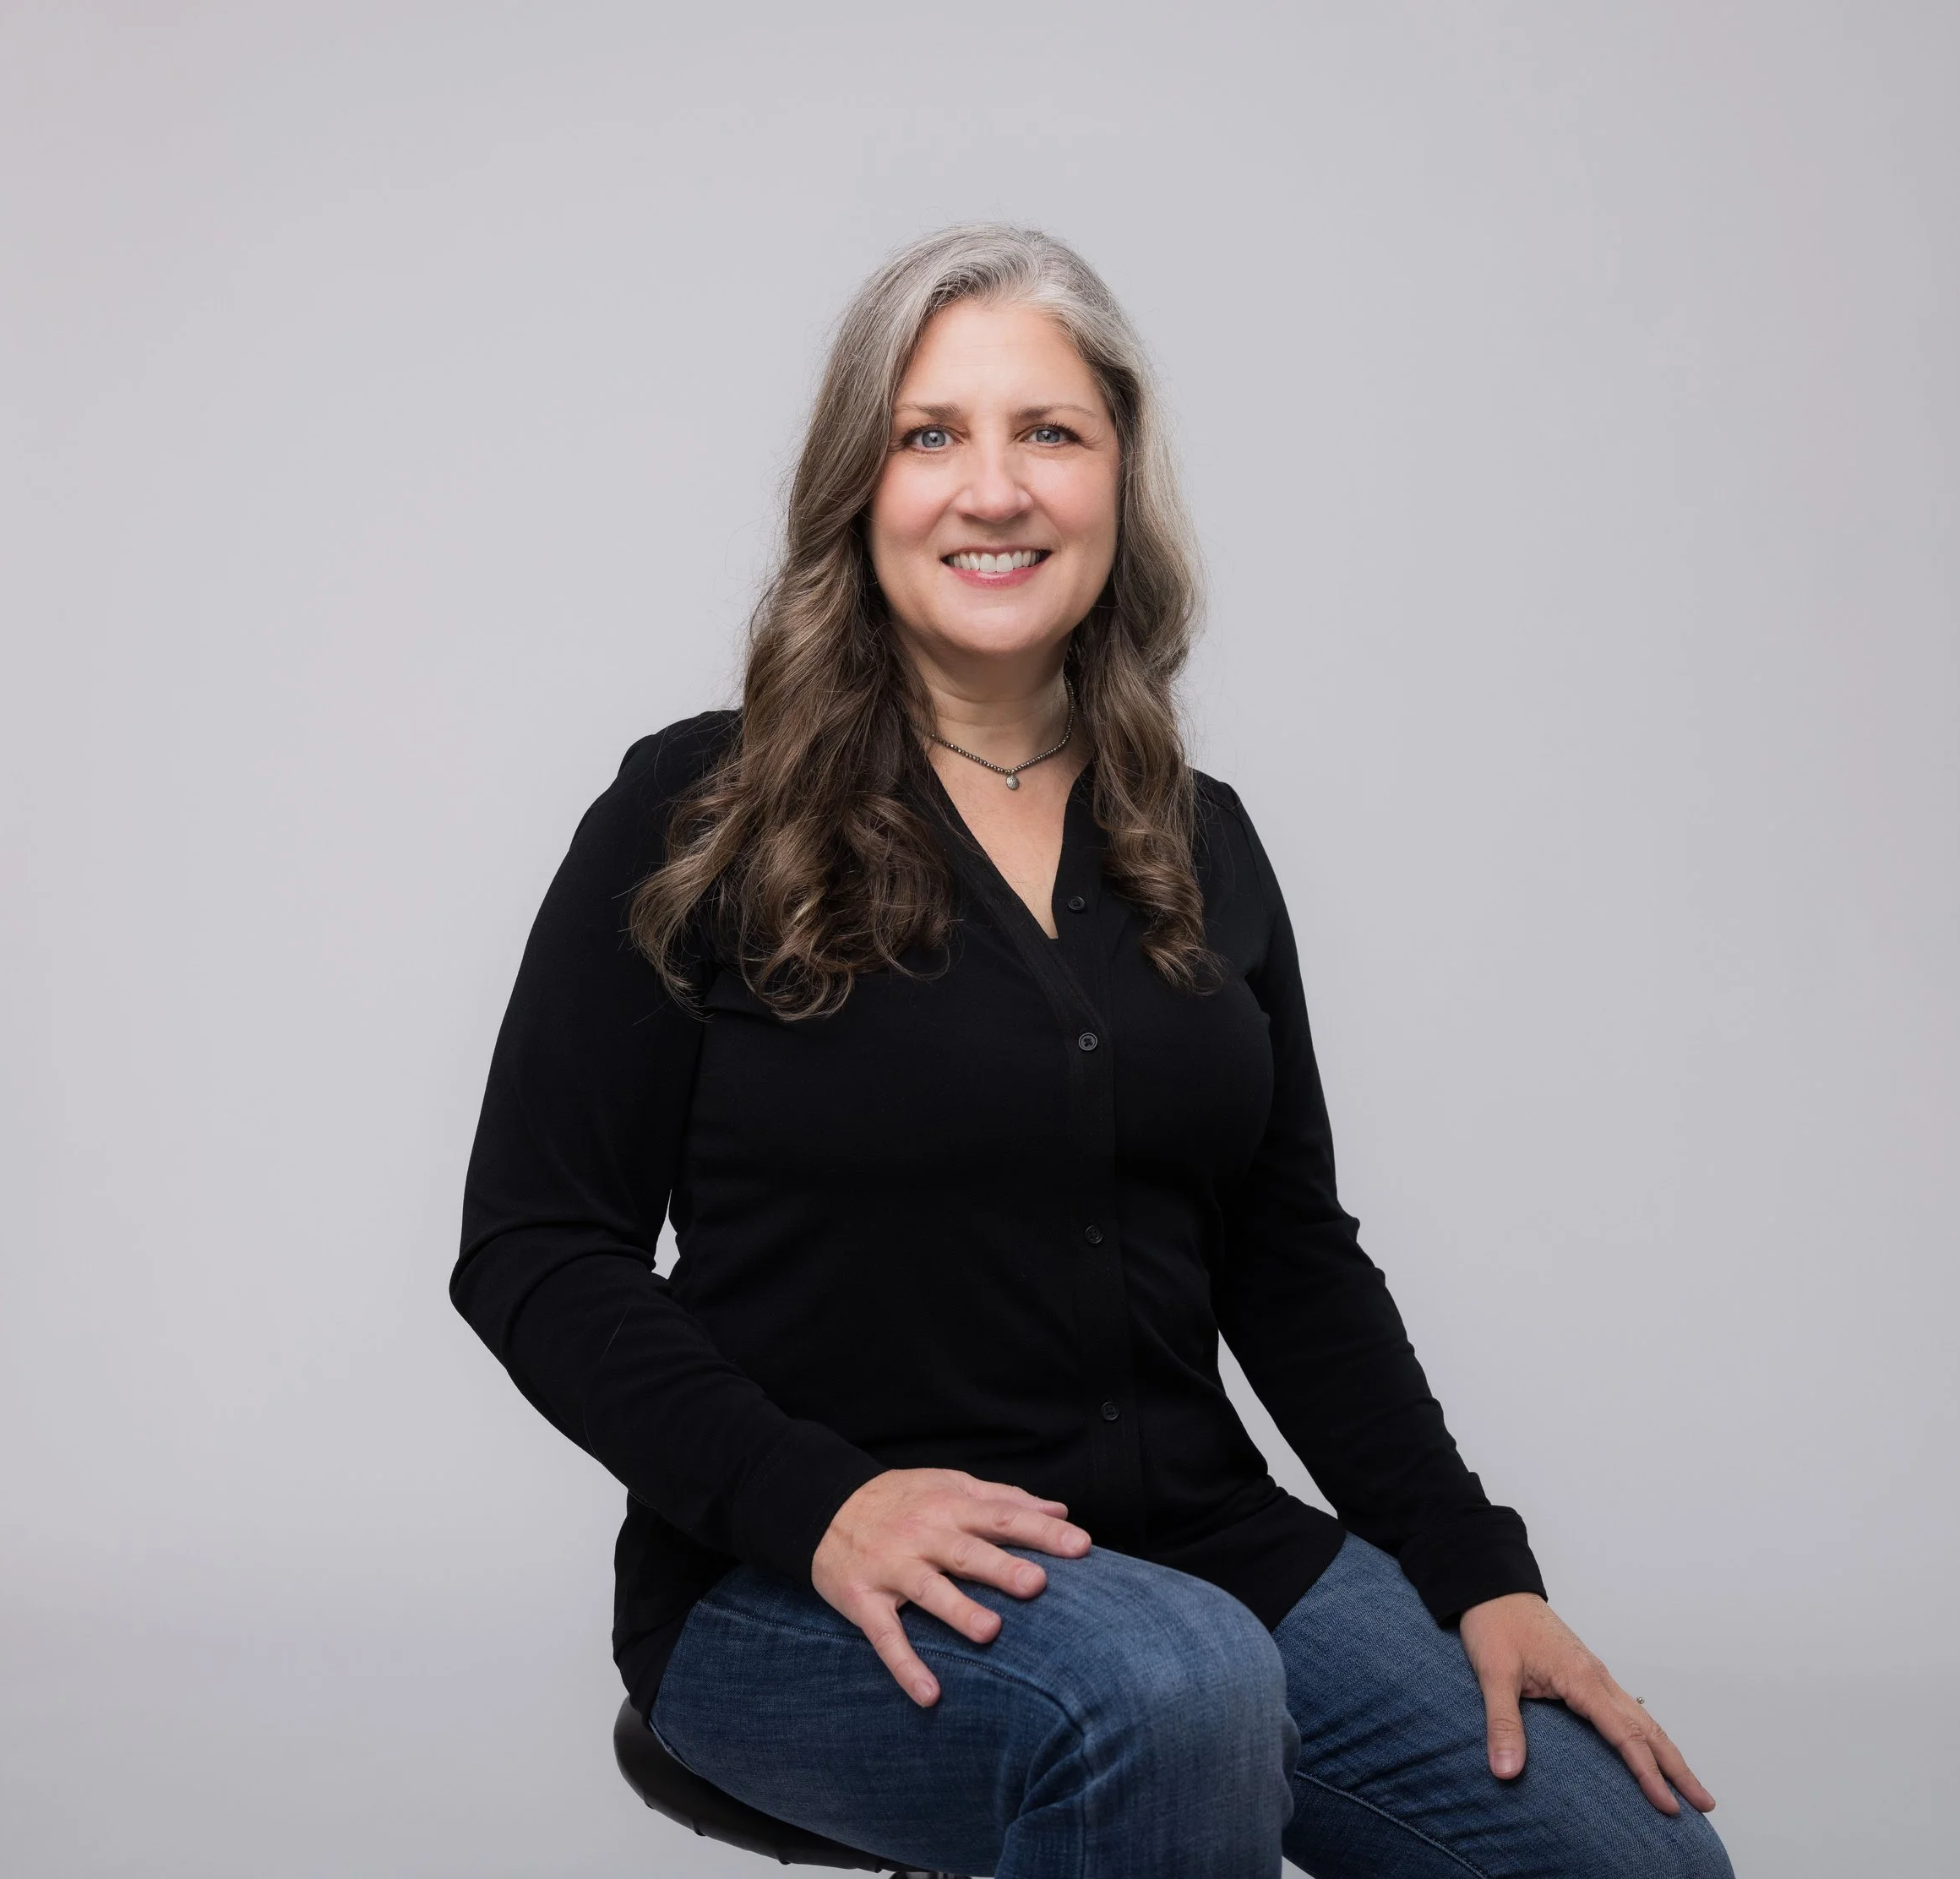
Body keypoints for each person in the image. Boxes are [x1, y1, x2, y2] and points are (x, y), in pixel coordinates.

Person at [452, 223, 1733, 1879]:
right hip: (785, 1580)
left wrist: (1478, 1566)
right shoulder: (697, 814)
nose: (992, 488)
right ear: (860, 485)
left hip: (1197, 1547)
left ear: (1118, 483)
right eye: (932, 435)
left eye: (1046, 432)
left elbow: (1287, 1256)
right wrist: (813, 1498)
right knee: (1166, 1694)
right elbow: (534, 1249)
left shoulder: (1201, 842)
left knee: (1636, 1860)